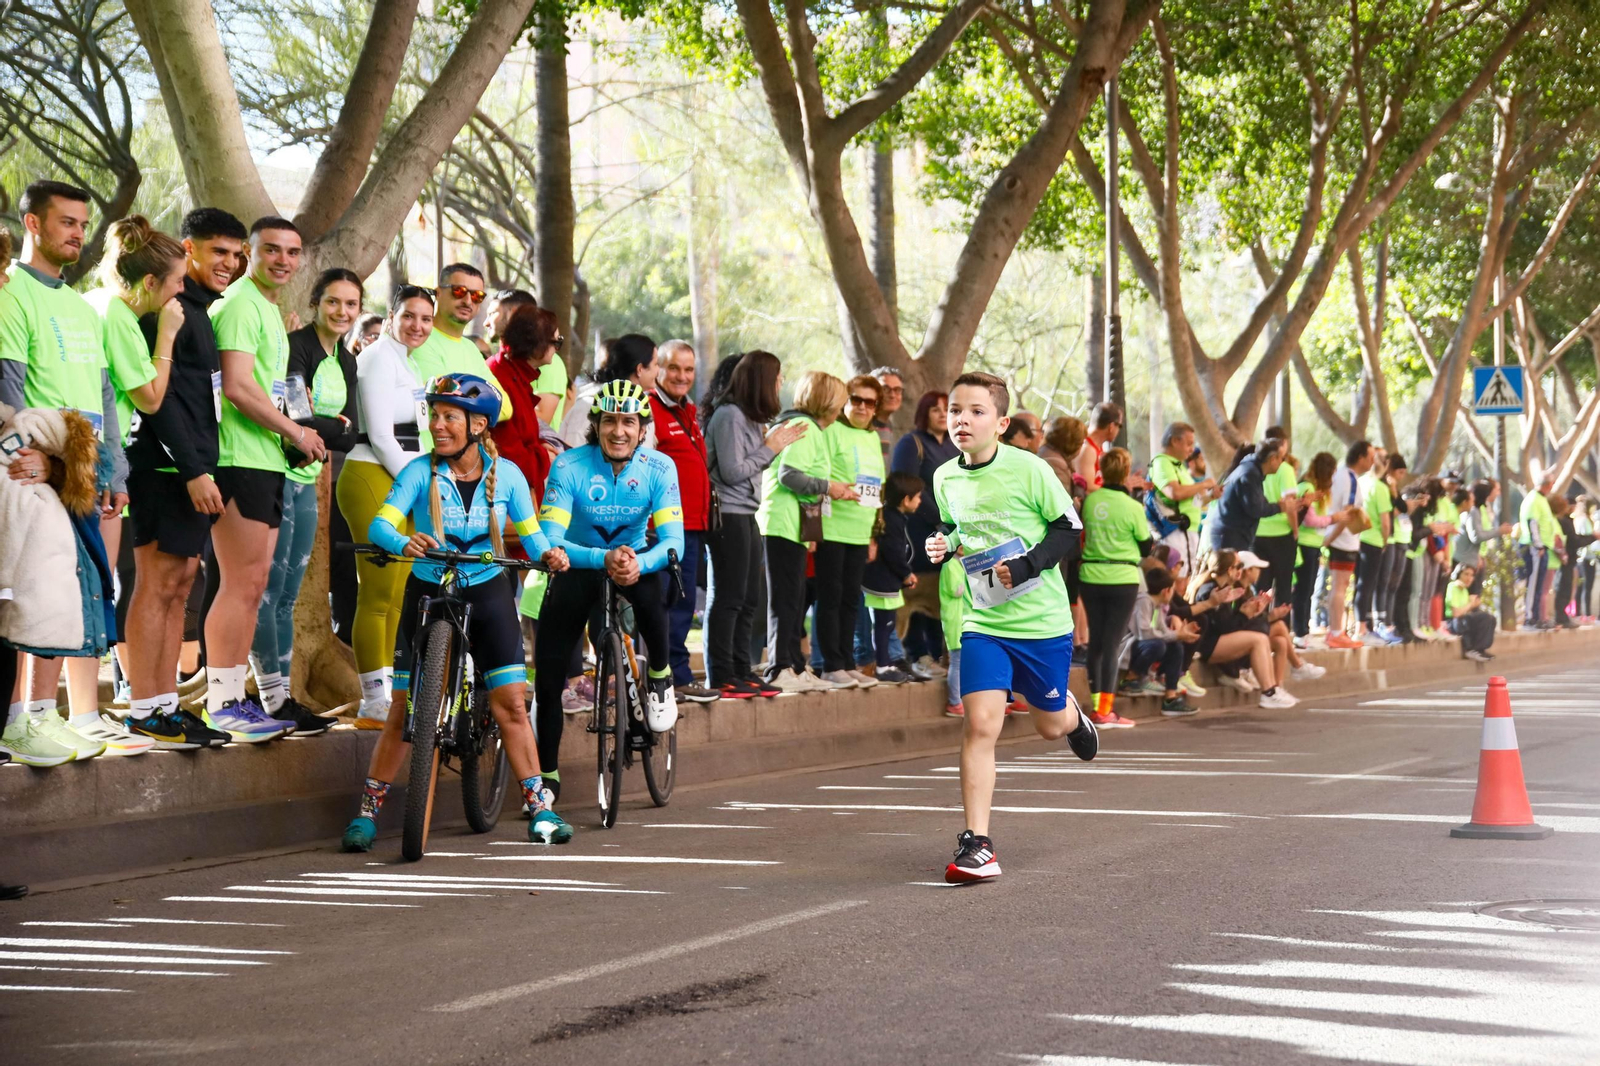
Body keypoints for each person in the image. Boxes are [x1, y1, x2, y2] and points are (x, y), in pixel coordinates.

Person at [340, 374, 572, 852]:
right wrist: (405, 540)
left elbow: (531, 535)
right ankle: (366, 813)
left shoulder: (506, 474)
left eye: (449, 417)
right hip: (428, 590)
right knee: (403, 708)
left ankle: (540, 808)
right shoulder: (418, 471)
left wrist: (550, 555)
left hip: (488, 593)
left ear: (478, 424)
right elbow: (382, 524)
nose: (437, 426)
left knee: (510, 703)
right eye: (434, 415)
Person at [925, 371, 1095, 883]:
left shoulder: (1031, 470)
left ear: (1000, 423)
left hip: (1041, 621)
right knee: (980, 725)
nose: (963, 419)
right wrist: (942, 542)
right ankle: (978, 843)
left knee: (1047, 725)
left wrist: (1025, 566)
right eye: (956, 410)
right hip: (984, 619)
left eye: (976, 411)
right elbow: (957, 528)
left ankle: (1069, 712)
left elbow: (1070, 529)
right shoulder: (944, 477)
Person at [0, 180, 132, 760]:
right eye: (67, 223)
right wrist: (21, 452)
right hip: (37, 468)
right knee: (34, 594)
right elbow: (8, 385)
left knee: (71, 596)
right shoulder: (12, 295)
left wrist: (113, 471)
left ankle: (40, 714)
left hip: (84, 468)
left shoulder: (81, 306)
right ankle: (19, 719)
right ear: (33, 225)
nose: (79, 233)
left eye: (83, 224)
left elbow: (103, 395)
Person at [115, 209, 244, 749]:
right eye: (219, 252)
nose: (230, 264)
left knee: (179, 588)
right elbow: (157, 399)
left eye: (237, 255)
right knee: (156, 585)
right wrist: (192, 470)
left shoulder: (199, 311)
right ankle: (145, 707)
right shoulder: (165, 311)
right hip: (164, 469)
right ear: (189, 250)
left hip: (192, 466)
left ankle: (165, 704)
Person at [533, 379, 685, 808]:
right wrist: (602, 559)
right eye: (610, 422)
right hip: (582, 564)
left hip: (633, 561)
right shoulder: (569, 466)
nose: (619, 431)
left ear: (642, 429)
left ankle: (658, 676)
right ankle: (547, 772)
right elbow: (551, 535)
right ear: (596, 425)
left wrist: (640, 562)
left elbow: (674, 542)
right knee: (548, 675)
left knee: (653, 593)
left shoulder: (658, 468)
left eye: (629, 423)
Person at [83, 215, 194, 755]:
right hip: (97, 461)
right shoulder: (122, 316)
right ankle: (114, 708)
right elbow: (150, 397)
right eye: (175, 282)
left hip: (100, 460)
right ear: (150, 283)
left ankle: (138, 705)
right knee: (104, 585)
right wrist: (168, 335)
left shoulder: (101, 303)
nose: (181, 291)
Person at [249, 267, 362, 734]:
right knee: (269, 589)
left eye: (351, 304)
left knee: (290, 594)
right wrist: (323, 423)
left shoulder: (347, 360)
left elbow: (348, 434)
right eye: (333, 302)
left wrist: (325, 424)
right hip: (280, 474)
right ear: (316, 303)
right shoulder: (296, 346)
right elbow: (294, 421)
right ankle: (267, 692)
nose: (342, 312)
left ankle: (282, 697)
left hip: (312, 478)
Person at [338, 285, 436, 724]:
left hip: (400, 477)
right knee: (376, 594)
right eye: (409, 315)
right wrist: (417, 484)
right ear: (392, 315)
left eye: (426, 319)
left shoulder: (407, 363)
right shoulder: (377, 357)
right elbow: (380, 436)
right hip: (372, 475)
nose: (418, 325)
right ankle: (372, 695)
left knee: (398, 595)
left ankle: (391, 689)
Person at [704, 351, 798, 698]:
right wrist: (770, 447)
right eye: (777, 377)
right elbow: (732, 472)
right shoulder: (728, 416)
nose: (781, 383)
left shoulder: (751, 418)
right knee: (729, 598)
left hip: (748, 512)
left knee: (748, 599)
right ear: (761, 380)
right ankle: (722, 674)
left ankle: (742, 669)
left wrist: (768, 443)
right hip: (728, 513)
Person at [758, 370, 854, 692]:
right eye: (839, 403)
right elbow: (789, 475)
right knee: (785, 599)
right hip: (782, 523)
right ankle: (780, 666)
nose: (841, 410)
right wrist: (829, 487)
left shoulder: (802, 426)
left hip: (790, 525)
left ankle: (794, 666)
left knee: (793, 597)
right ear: (827, 402)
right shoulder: (806, 429)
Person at [647, 339, 719, 702]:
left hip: (692, 524)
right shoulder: (649, 408)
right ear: (657, 367)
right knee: (666, 601)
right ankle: (665, 677)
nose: (681, 376)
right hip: (662, 526)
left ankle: (678, 675)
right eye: (674, 368)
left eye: (688, 370)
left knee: (683, 601)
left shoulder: (689, 410)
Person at [815, 375, 886, 688]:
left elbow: (878, 487)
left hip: (860, 531)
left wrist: (873, 533)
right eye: (856, 399)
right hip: (832, 528)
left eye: (869, 402)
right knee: (829, 598)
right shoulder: (832, 430)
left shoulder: (873, 437)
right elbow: (818, 476)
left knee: (850, 600)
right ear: (845, 401)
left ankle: (846, 661)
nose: (862, 407)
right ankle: (830, 664)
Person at [1078, 447, 1152, 728]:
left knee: (1096, 642)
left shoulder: (1090, 500)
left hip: (1091, 575)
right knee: (1111, 644)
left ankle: (1098, 705)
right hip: (1122, 577)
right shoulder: (1133, 506)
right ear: (1125, 473)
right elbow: (1146, 545)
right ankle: (1105, 711)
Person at [891, 390, 959, 678]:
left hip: (949, 534)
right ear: (923, 413)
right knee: (913, 594)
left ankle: (935, 655)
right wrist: (939, 520)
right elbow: (904, 485)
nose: (943, 414)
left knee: (939, 594)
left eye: (948, 409)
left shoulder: (956, 448)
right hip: (917, 531)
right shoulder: (912, 443)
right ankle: (915, 654)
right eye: (936, 409)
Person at [1187, 550, 1297, 708]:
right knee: (1258, 639)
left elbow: (1227, 624)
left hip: (1217, 640)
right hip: (1207, 644)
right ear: (1229, 569)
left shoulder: (1222, 587)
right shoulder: (1211, 590)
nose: (1240, 571)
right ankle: (1269, 692)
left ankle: (1274, 689)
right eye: (1238, 566)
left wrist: (1251, 612)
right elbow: (1223, 627)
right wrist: (1245, 614)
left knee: (1266, 638)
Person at [414, 263, 513, 426]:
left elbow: (505, 407)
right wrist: (479, 397)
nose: (468, 301)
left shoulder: (471, 348)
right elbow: (443, 404)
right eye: (459, 291)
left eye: (477, 296)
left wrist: (462, 396)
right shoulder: (420, 338)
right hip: (429, 447)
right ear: (438, 293)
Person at [486, 303, 558, 504]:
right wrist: (543, 457)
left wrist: (540, 448)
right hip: (507, 497)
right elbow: (508, 452)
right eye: (556, 342)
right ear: (537, 343)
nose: (557, 349)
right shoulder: (500, 377)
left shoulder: (514, 375)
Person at [863, 471, 923, 684]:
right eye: (917, 497)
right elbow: (893, 552)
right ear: (906, 499)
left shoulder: (894, 517)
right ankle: (882, 665)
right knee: (884, 624)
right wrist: (906, 573)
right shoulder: (892, 519)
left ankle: (885, 662)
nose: (920, 501)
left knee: (886, 624)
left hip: (888, 581)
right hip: (883, 581)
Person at [1123, 567, 1197, 717]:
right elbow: (1144, 632)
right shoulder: (1143, 601)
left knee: (1176, 646)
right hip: (1130, 646)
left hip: (1144, 643)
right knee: (1158, 645)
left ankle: (1170, 697)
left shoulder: (1157, 605)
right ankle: (1131, 679)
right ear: (1166, 591)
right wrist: (1176, 635)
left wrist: (1181, 635)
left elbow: (1163, 631)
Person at [1324, 440, 1374, 647]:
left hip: (1341, 539)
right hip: (1343, 541)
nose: (1372, 462)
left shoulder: (1341, 475)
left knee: (1340, 586)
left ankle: (1335, 630)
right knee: (1340, 586)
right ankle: (1336, 632)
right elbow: (1348, 513)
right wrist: (1329, 539)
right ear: (1360, 457)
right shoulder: (1350, 479)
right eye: (1370, 458)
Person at [1148, 421, 1214, 576]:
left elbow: (1191, 500)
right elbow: (1174, 492)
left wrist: (1211, 496)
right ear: (1175, 441)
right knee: (1175, 576)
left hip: (1188, 531)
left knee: (1186, 578)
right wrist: (1202, 484)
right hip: (1173, 530)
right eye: (1189, 444)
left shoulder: (1179, 466)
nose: (1191, 449)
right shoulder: (1161, 462)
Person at [1291, 452, 1336, 643]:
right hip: (1304, 545)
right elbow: (1309, 520)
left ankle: (1303, 628)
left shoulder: (1315, 490)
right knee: (1302, 590)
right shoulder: (1306, 487)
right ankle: (1300, 631)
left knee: (1307, 589)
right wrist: (1333, 519)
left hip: (1313, 545)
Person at [1355, 451, 1399, 645]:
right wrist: (1385, 541)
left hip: (1356, 537)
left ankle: (1363, 626)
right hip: (1373, 540)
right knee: (1368, 586)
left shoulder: (1360, 481)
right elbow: (1385, 522)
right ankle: (1362, 628)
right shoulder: (1379, 488)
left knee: (1360, 585)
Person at [1211, 438, 1286, 552]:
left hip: (1234, 533)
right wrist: (1280, 507)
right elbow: (1255, 508)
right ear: (1273, 458)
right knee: (1229, 569)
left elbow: (1258, 503)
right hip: (1230, 534)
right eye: (1282, 458)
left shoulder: (1252, 471)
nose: (1282, 462)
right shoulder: (1249, 474)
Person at [1455, 478, 1511, 595]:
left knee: (1474, 595)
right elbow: (1476, 536)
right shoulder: (1473, 511)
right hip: (1465, 560)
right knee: (1470, 595)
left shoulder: (1479, 510)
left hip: (1473, 558)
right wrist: (1498, 531)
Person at [1518, 470, 1557, 628]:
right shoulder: (1534, 499)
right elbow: (1532, 522)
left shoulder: (1540, 499)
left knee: (1539, 584)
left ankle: (1536, 617)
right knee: (1533, 583)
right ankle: (1530, 617)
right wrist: (1538, 545)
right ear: (1548, 485)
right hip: (1534, 548)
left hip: (1541, 548)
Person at [1445, 564, 1495, 661]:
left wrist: (1472, 605)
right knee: (1484, 617)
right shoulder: (1453, 587)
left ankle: (1480, 650)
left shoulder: (1464, 590)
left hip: (1462, 620)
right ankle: (1472, 650)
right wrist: (1470, 604)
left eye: (1471, 575)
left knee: (1491, 619)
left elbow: (1464, 611)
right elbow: (1456, 613)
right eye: (1466, 574)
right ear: (1459, 575)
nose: (1469, 578)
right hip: (1453, 622)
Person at [1072, 401, 1122, 487]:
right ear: (1111, 426)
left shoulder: (1095, 447)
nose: (1119, 430)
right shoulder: (1087, 449)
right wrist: (1117, 492)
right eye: (1120, 426)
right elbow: (1087, 488)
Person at [1039, 416, 1084, 494]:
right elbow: (1060, 502)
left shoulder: (1044, 451)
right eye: (1082, 442)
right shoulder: (1057, 464)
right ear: (1074, 443)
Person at [868, 365, 904, 461]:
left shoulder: (888, 426)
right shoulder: (863, 425)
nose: (892, 395)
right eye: (885, 389)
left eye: (897, 390)